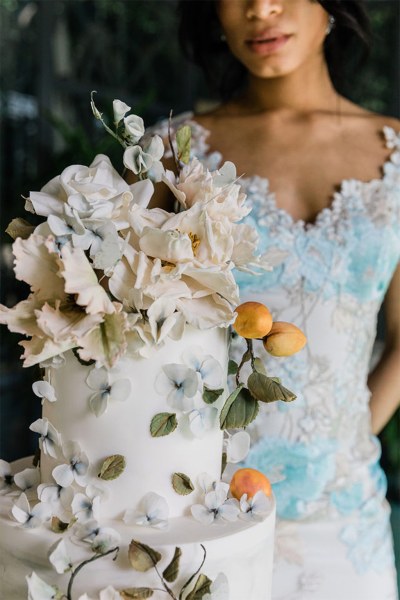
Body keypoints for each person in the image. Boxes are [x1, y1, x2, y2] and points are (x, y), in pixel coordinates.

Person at [148, 0, 400, 598]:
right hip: (206, 508)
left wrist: (345, 440)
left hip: (345, 521)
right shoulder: (171, 153)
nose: (261, 8)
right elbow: (147, 336)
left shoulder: (397, 150)